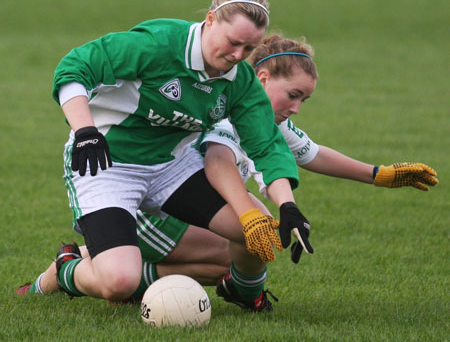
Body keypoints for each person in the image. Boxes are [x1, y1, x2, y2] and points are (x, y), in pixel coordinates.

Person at [18, 34, 438, 309]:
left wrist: (377, 173)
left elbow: (310, 153)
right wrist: (250, 212)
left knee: (248, 250)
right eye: (292, 95)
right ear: (261, 76)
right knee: (244, 243)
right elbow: (219, 161)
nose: (295, 108)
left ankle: (221, 286)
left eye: (303, 101)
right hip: (152, 205)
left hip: (186, 205)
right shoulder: (227, 106)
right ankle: (72, 270)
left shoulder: (266, 120)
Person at [43, 0, 313, 312]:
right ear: (211, 19)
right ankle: (68, 268)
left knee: (257, 228)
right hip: (108, 165)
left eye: (247, 50)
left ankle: (244, 291)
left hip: (171, 168)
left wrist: (289, 207)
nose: (236, 55)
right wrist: (85, 130)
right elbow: (76, 67)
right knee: (118, 283)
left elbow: (267, 145)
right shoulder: (159, 44)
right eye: (232, 43)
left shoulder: (239, 81)